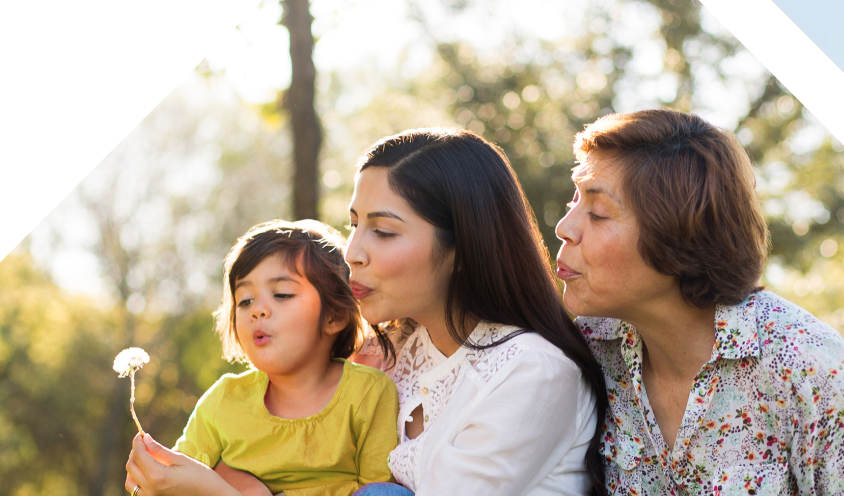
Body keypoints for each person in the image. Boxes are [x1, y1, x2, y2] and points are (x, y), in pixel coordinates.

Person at [125, 129, 611, 496]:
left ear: (462, 246)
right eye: (354, 225)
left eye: (383, 231)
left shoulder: (530, 374)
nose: (352, 252)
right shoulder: (385, 355)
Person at [555, 109, 844, 495]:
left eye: (597, 212)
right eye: (574, 201)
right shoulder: (591, 348)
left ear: (677, 235)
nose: (565, 228)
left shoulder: (815, 371)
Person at [127, 220, 400, 496]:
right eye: (244, 300)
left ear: (335, 316)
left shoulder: (369, 394)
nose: (257, 310)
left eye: (281, 294)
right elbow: (177, 479)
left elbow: (376, 489)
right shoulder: (223, 401)